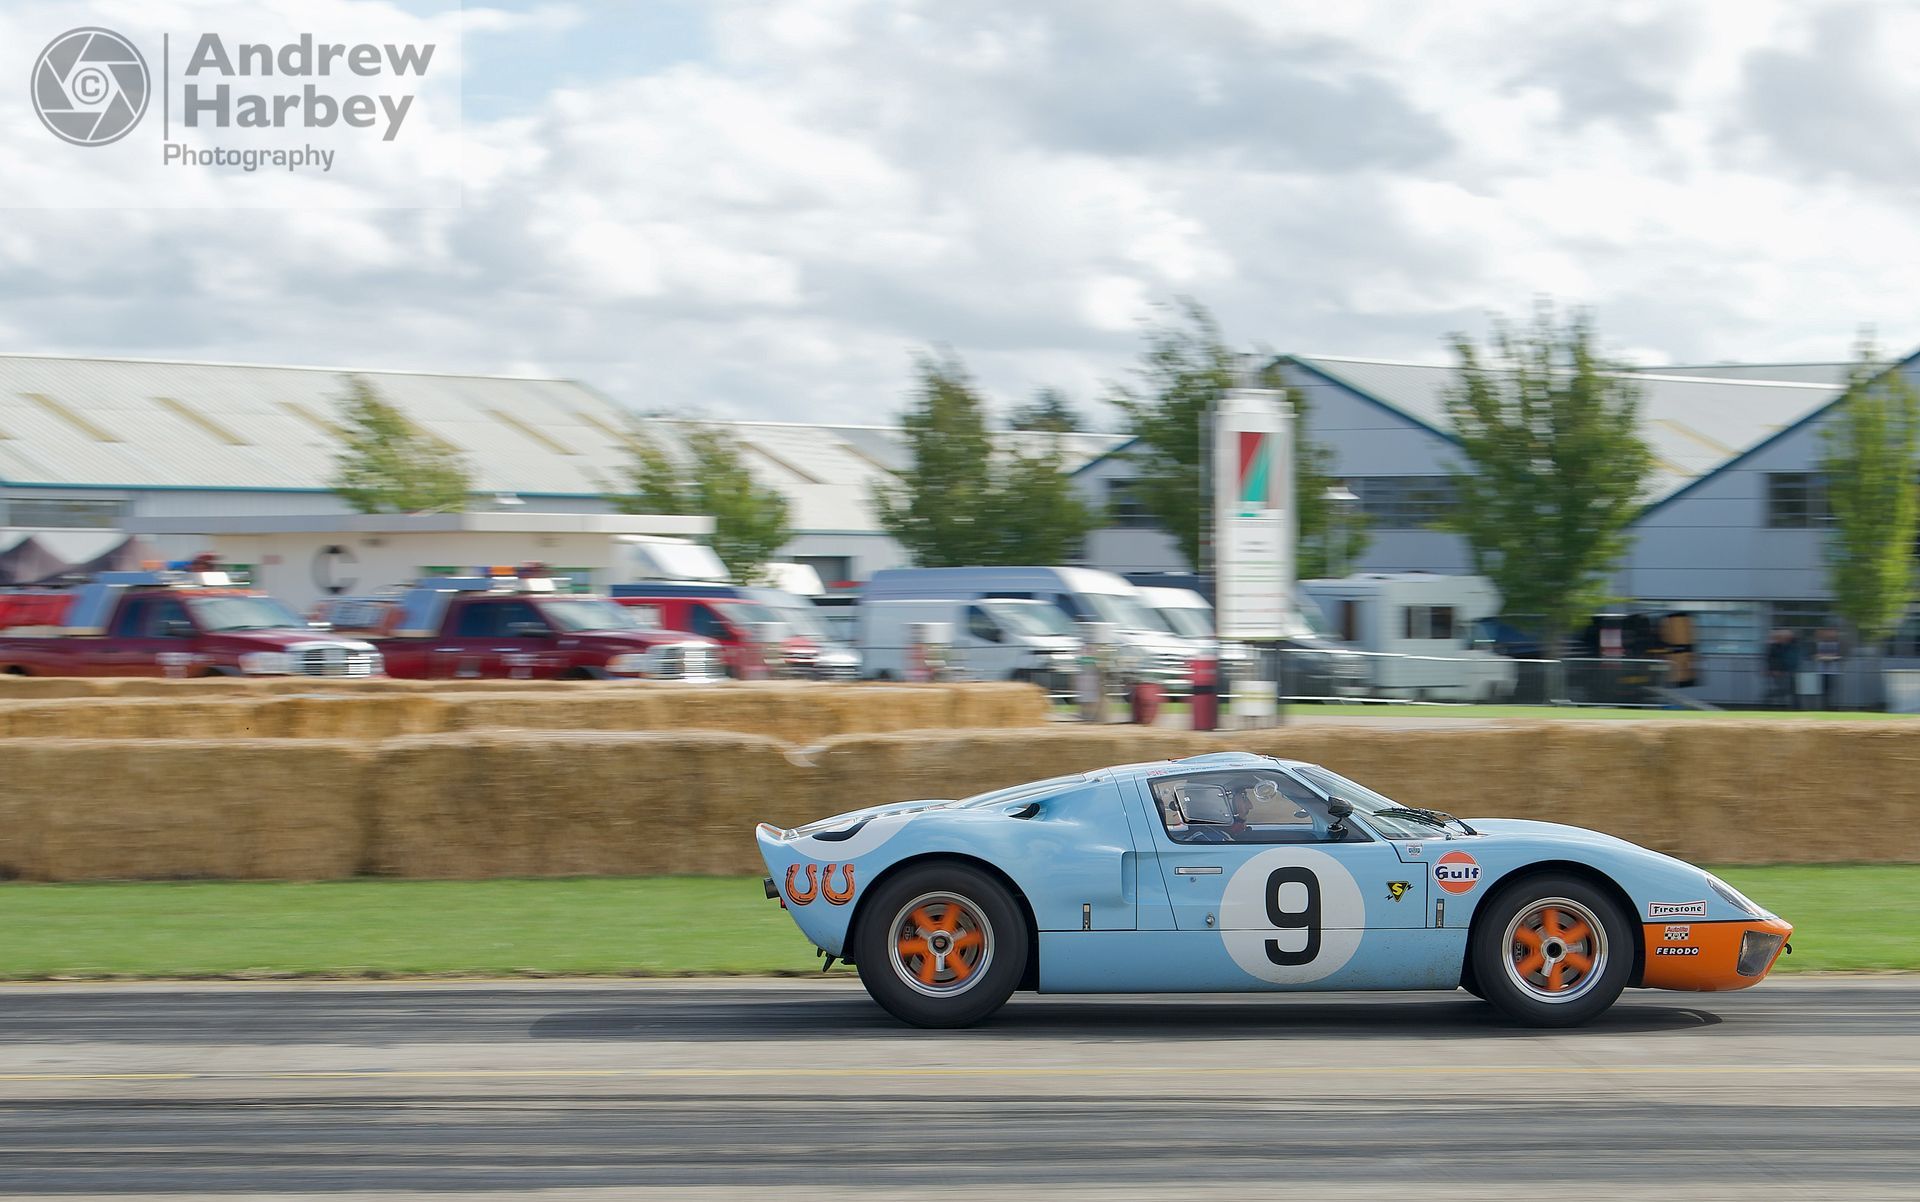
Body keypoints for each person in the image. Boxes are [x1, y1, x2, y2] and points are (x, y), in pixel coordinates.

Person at [1764, 629, 1797, 708]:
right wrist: (1774, 670)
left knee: (1785, 688)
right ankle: (1770, 699)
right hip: (1778, 671)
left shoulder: (1784, 646)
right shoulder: (1774, 647)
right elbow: (1772, 659)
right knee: (1783, 688)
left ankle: (1778, 702)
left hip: (1784, 670)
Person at [1814, 628, 1844, 710]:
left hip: (1834, 671)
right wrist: (1826, 657)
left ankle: (1834, 706)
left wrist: (1828, 657)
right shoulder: (1818, 644)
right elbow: (1816, 656)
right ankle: (1824, 706)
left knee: (1834, 690)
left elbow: (1840, 656)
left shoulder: (1838, 644)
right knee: (1824, 690)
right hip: (1822, 671)